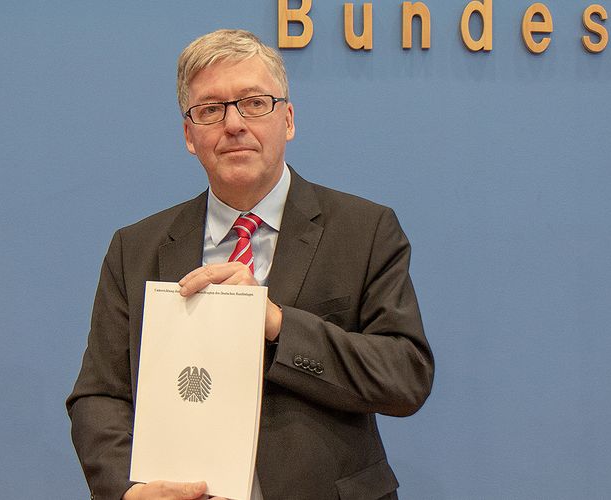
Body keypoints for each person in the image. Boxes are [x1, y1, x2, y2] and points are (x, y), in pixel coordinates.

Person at [67, 29, 434, 500]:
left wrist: (275, 323)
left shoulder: (364, 230)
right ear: (189, 135)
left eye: (254, 103)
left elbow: (405, 376)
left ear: (289, 119)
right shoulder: (134, 248)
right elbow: (99, 395)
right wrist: (127, 491)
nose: (234, 124)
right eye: (210, 109)